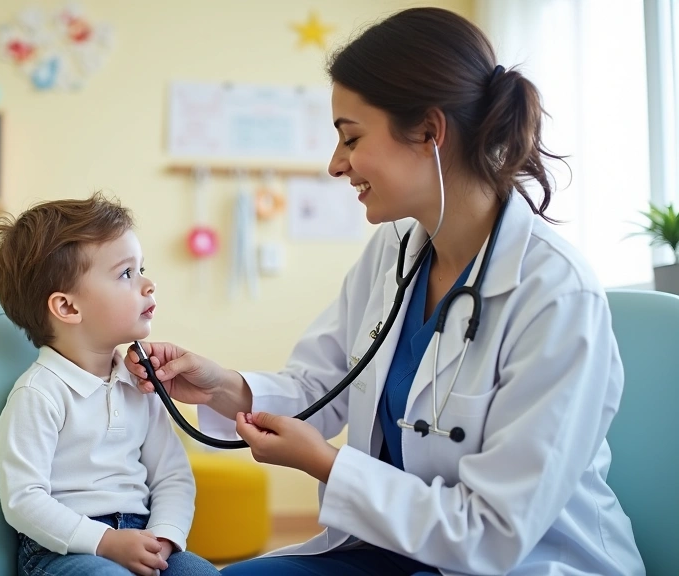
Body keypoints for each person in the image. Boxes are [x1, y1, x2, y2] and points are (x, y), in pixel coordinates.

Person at [126, 8, 645, 576]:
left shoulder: (556, 296)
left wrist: (327, 465)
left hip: (515, 563)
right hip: (390, 550)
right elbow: (320, 388)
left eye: (351, 137)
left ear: (429, 130)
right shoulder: (395, 251)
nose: (334, 164)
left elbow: (493, 534)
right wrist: (222, 386)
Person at [0, 193, 220, 576]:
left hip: (142, 535)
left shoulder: (140, 382)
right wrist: (104, 542)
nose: (148, 284)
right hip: (63, 551)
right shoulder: (38, 394)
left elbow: (172, 475)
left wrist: (164, 536)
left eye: (142, 268)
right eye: (127, 274)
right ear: (68, 308)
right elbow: (23, 500)